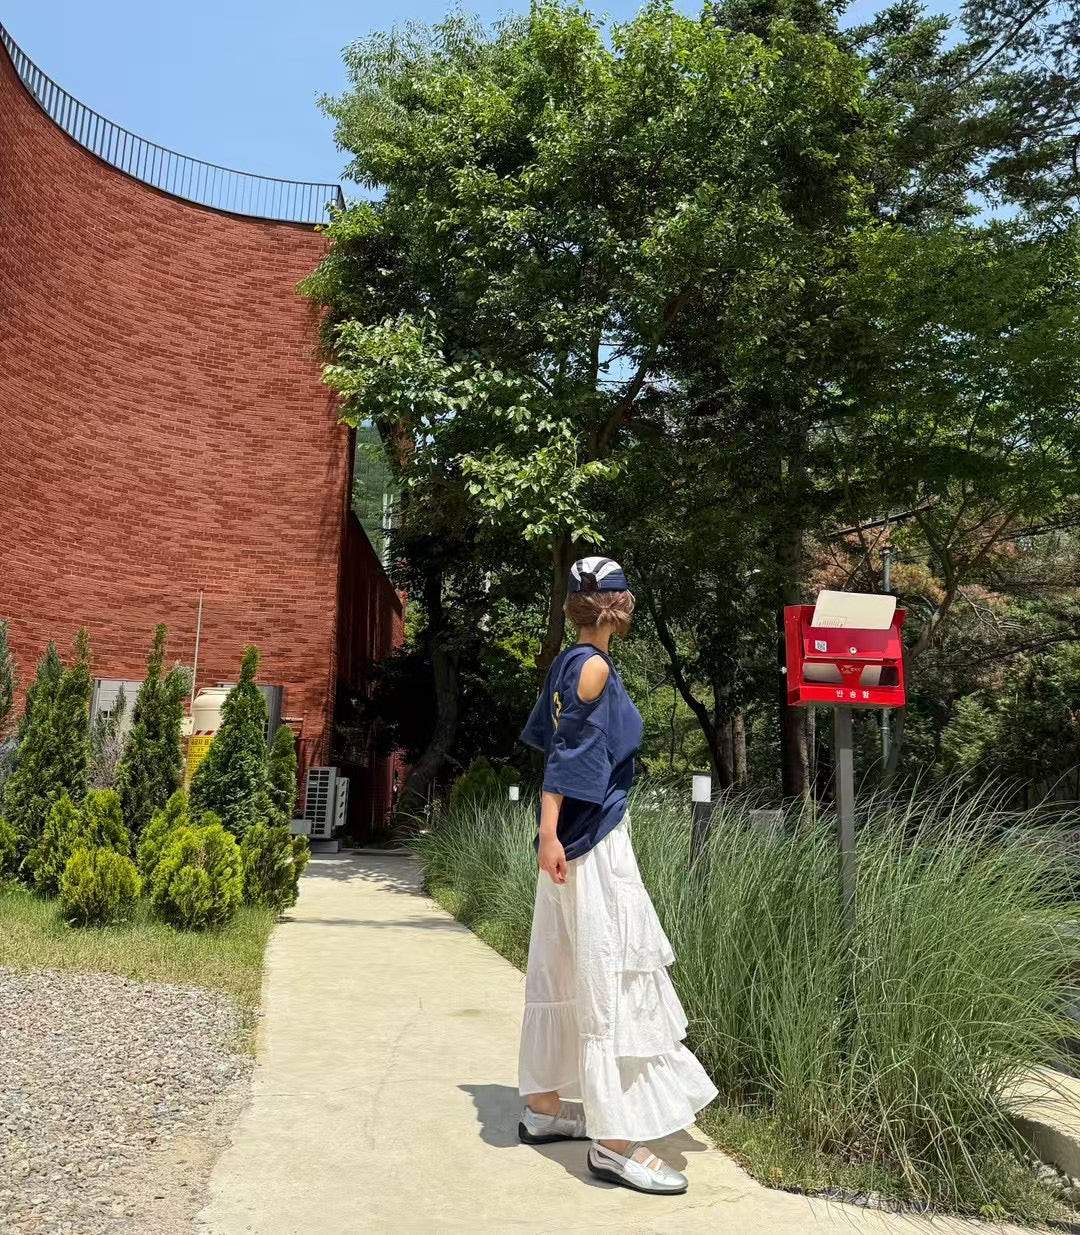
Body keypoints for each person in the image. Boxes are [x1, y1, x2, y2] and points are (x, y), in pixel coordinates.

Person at [516, 555, 717, 1195]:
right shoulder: (595, 667)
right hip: (592, 841)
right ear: (616, 607)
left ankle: (544, 1108)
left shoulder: (568, 663)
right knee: (610, 975)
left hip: (567, 844)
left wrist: (550, 837)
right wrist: (551, 832)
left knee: (560, 964)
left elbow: (552, 743)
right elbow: (566, 757)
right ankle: (615, 1142)